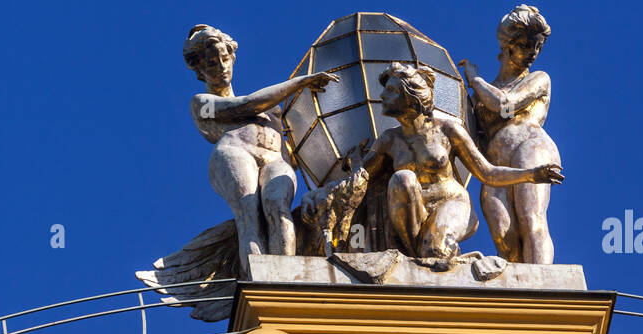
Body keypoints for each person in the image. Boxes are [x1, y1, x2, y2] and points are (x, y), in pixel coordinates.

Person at [322, 62, 562, 267]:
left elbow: (487, 173)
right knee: (402, 179)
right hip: (414, 214)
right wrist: (352, 165)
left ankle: (437, 252)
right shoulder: (388, 140)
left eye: (391, 90)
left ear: (410, 96)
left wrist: (530, 175)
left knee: (437, 252)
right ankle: (409, 256)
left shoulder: (448, 129)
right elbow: (360, 181)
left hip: (451, 203)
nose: (382, 95)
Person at [183, 25, 337, 265]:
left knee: (278, 207)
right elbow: (246, 105)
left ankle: (286, 279)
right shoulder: (201, 103)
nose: (222, 67)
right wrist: (299, 83)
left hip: (275, 158)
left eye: (225, 59)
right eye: (212, 63)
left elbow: (298, 148)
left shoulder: (273, 110)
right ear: (200, 71)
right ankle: (257, 279)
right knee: (248, 211)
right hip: (235, 153)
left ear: (232, 57)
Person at [458, 4, 562, 264]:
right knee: (505, 236)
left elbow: (506, 105)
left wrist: (475, 79)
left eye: (538, 47)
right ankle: (519, 298)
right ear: (508, 45)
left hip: (531, 147)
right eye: (528, 45)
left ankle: (543, 289)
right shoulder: (480, 97)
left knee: (531, 219)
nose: (534, 54)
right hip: (495, 167)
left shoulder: (539, 78)